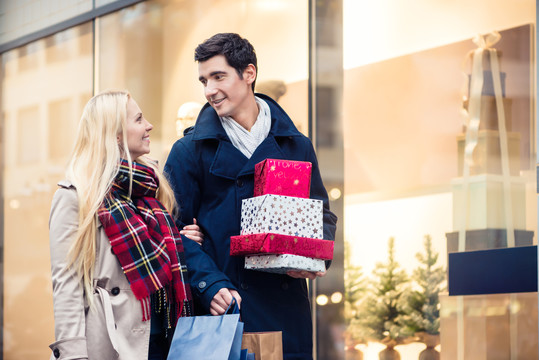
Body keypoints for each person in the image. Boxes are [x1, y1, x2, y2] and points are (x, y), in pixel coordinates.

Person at [164, 33, 338, 360]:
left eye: (219, 77)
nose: (209, 90)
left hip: (286, 308)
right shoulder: (189, 152)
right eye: (203, 80)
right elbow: (171, 232)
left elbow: (322, 214)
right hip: (226, 311)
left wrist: (313, 257)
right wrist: (209, 284)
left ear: (248, 74)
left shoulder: (296, 144)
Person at [48, 90, 203, 360]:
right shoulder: (75, 196)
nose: (149, 126)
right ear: (116, 134)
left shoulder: (149, 188)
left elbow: (156, 258)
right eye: (139, 119)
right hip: (112, 344)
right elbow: (66, 287)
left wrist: (182, 239)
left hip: (163, 340)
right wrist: (73, 355)